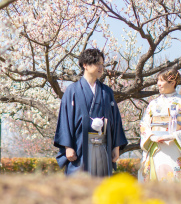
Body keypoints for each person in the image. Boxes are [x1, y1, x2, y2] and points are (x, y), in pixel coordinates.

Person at [54, 48, 128, 176]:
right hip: (79, 146)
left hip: (103, 146)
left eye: (102, 64)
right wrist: (68, 147)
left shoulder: (107, 92)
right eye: (97, 63)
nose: (101, 67)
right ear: (85, 65)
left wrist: (116, 147)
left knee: (102, 182)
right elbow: (64, 120)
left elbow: (115, 119)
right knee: (78, 182)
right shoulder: (72, 91)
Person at [138, 68, 181, 183]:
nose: (158, 84)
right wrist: (151, 136)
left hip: (175, 145)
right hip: (156, 145)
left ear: (173, 82)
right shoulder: (153, 104)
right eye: (158, 81)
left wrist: (173, 136)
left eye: (161, 81)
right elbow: (144, 124)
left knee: (175, 178)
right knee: (156, 178)